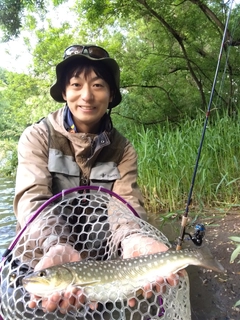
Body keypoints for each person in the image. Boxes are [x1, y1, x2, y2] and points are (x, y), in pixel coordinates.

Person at [12, 44, 180, 316]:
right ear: (64, 93)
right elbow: (32, 202)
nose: (87, 96)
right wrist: (56, 244)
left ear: (111, 94)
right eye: (76, 84)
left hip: (101, 268)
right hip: (44, 257)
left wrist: (135, 239)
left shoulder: (123, 150)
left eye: (98, 85)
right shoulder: (37, 137)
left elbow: (125, 207)